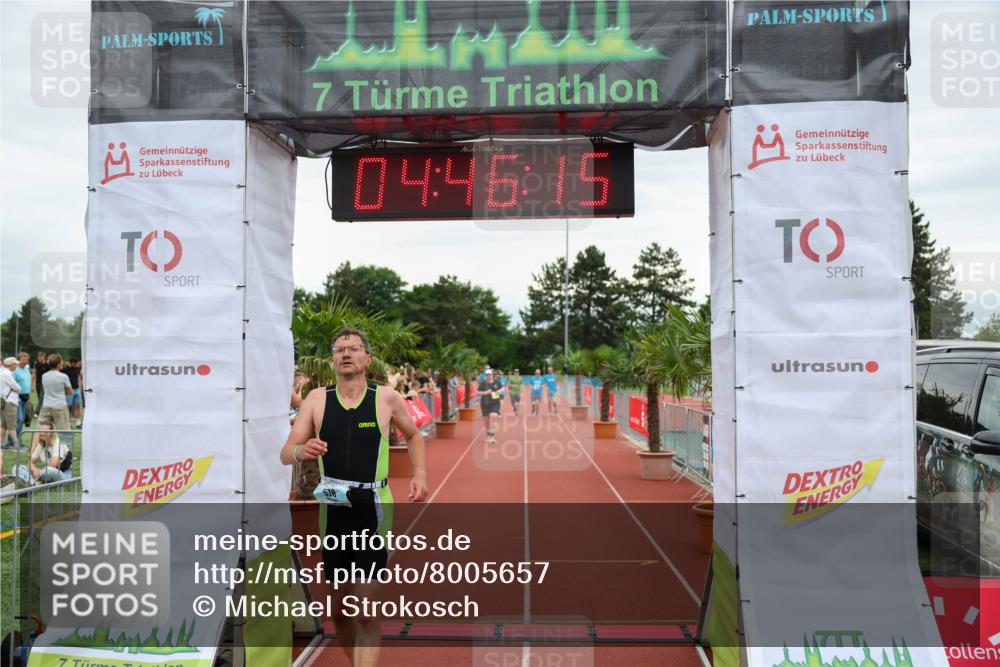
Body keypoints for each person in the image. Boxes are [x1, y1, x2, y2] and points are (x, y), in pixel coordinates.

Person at [279, 327, 428, 667]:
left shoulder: (386, 397)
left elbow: (415, 434)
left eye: (353, 348)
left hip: (373, 507)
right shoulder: (317, 399)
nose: (346, 354)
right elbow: (285, 452)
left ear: (367, 358)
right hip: (332, 507)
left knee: (365, 613)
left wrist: (420, 474)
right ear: (332, 359)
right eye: (339, 349)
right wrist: (302, 449)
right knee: (341, 613)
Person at [39, 354, 72, 442]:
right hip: (59, 405)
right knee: (64, 429)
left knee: (44, 429)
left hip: (46, 405)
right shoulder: (64, 376)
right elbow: (70, 391)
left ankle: (45, 449)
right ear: (58, 364)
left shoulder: (44, 376)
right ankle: (65, 452)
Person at [477, 370, 503, 443]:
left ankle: (492, 435)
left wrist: (500, 391)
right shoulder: (483, 383)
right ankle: (488, 434)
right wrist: (486, 392)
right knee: (486, 421)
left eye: (490, 374)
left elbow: (502, 388)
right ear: (486, 375)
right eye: (487, 375)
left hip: (495, 403)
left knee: (493, 416)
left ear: (492, 375)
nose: (488, 376)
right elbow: (478, 393)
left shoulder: (497, 382)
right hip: (485, 403)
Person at [1, 358, 21, 449]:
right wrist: (16, 388)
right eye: (15, 364)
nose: (16, 366)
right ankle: (16, 444)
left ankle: (1, 443)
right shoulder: (7, 374)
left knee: (4, 424)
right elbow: (18, 388)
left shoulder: (3, 372)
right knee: (12, 424)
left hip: (4, 399)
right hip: (10, 401)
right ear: (10, 365)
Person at [13, 353, 32, 437]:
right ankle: (13, 441)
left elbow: (28, 384)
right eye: (23, 359)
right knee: (19, 419)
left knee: (22, 419)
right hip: (17, 398)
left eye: (26, 360)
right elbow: (12, 384)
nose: (25, 361)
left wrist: (29, 397)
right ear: (18, 360)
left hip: (25, 397)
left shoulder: (27, 370)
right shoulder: (15, 370)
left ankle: (18, 441)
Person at [64, 359, 84, 428]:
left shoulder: (78, 369)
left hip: (77, 389)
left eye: (75, 363)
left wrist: (80, 387)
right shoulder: (66, 369)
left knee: (77, 406)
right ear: (70, 363)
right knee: (68, 407)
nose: (74, 364)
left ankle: (78, 423)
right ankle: (68, 423)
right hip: (69, 390)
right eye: (72, 363)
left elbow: (79, 378)